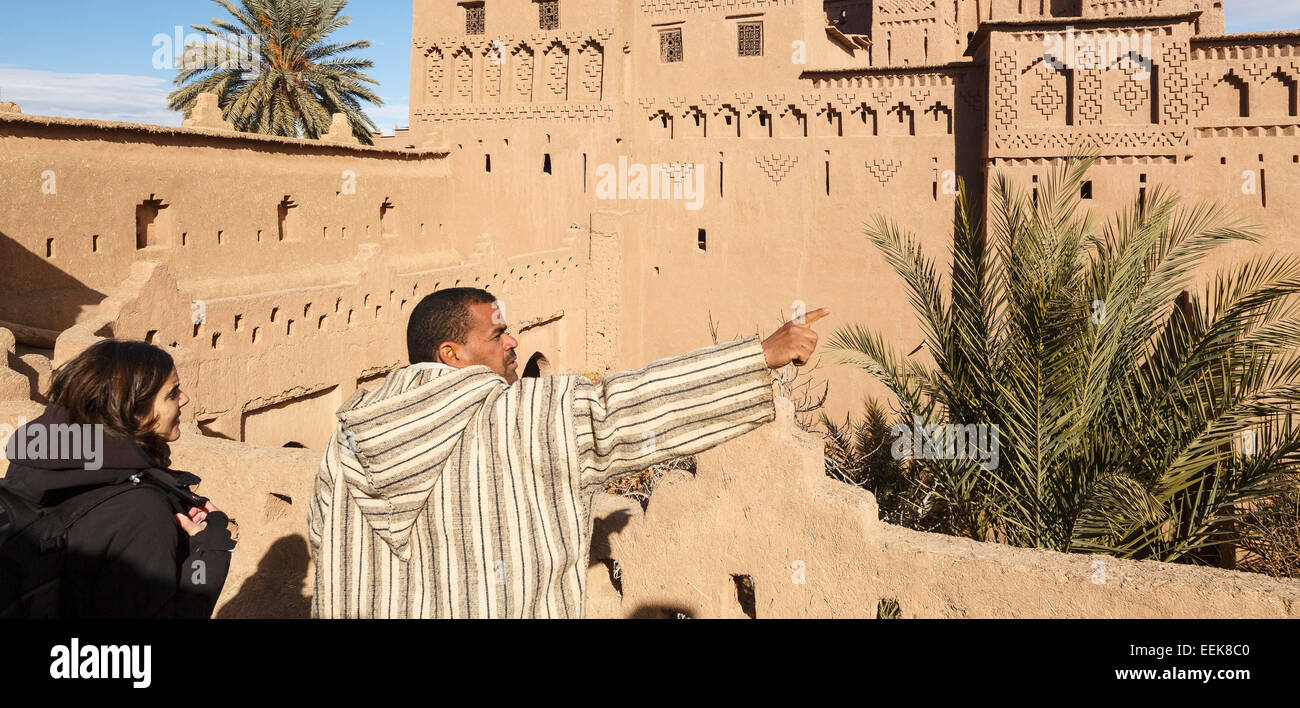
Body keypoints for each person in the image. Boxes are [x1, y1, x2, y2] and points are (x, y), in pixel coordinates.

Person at [308, 286, 826, 618]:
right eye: (498, 333)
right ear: (452, 354)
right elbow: (622, 409)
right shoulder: (524, 418)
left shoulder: (347, 441)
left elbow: (325, 543)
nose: (513, 343)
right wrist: (756, 358)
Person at [1, 339, 237, 617]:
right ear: (133, 410)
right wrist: (208, 554)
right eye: (172, 393)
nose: (184, 398)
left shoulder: (39, 466)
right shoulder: (142, 512)